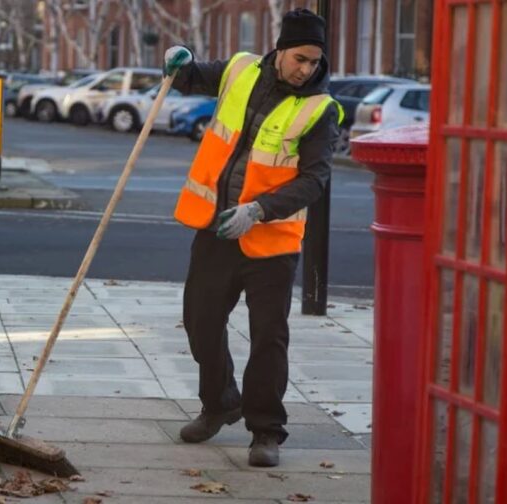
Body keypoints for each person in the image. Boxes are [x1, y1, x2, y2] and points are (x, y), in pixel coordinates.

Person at [163, 8, 342, 467]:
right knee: (201, 322)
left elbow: (314, 179)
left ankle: (265, 431)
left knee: (268, 337)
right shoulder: (240, 69)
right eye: (300, 58)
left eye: (315, 62)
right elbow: (189, 76)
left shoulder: (320, 109)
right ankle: (221, 402)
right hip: (215, 228)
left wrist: (258, 210)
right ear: (280, 50)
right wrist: (176, 61)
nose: (307, 69)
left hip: (272, 241)